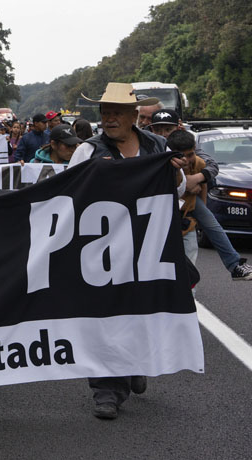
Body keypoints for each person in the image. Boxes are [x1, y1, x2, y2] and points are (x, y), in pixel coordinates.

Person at [70, 82, 188, 420]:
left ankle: (135, 362)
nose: (109, 119)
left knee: (140, 313)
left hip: (148, 248)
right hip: (102, 251)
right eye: (105, 113)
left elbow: (178, 189)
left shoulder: (157, 146)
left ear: (134, 115)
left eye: (116, 113)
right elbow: (69, 194)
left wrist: (175, 176)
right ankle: (107, 391)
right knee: (104, 318)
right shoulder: (88, 151)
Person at [146, 110, 252, 280]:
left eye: (168, 129)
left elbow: (210, 167)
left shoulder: (187, 147)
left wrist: (195, 180)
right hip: (155, 204)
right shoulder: (147, 147)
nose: (163, 134)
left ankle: (234, 265)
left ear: (179, 128)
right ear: (151, 130)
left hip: (186, 206)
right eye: (158, 130)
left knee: (211, 224)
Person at [166, 129, 206, 264]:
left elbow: (203, 187)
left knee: (190, 261)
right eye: (181, 156)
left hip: (187, 221)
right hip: (165, 221)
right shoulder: (165, 166)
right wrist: (189, 186)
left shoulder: (199, 164)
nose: (186, 160)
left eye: (190, 155)